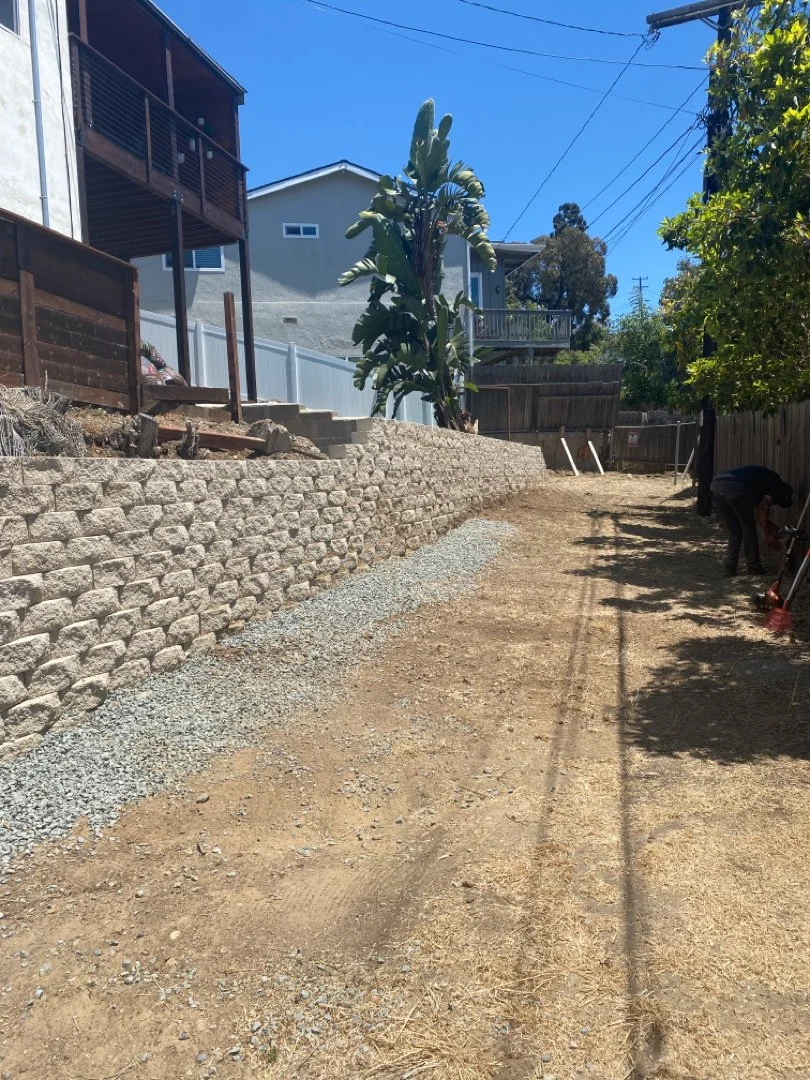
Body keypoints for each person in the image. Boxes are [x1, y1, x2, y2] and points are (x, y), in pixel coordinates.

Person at [710, 466, 793, 576]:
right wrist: (769, 535)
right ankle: (754, 567)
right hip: (736, 487)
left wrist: (774, 530)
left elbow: (759, 516)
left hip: (716, 484)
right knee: (748, 528)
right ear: (785, 495)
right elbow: (762, 510)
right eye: (777, 502)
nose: (774, 504)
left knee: (735, 529)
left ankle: (730, 567)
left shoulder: (761, 484)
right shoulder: (778, 486)